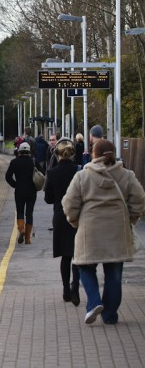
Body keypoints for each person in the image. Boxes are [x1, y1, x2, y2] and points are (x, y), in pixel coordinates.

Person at [62, 139, 145, 325]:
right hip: (117, 230)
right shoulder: (126, 175)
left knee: (85, 267)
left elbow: (69, 204)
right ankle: (109, 315)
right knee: (114, 273)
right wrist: (130, 219)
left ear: (94, 154)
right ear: (113, 153)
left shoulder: (82, 176)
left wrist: (75, 222)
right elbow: (139, 199)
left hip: (89, 230)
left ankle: (94, 303)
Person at [44, 138, 80, 306]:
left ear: (57, 154)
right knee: (78, 256)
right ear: (72, 154)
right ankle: (75, 289)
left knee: (66, 256)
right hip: (78, 217)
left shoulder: (52, 173)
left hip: (60, 216)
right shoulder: (79, 171)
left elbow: (48, 199)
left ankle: (66, 290)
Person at [5, 142, 39, 244]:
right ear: (29, 151)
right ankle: (27, 239)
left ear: (19, 151)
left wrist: (15, 184)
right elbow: (42, 173)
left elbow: (8, 177)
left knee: (20, 212)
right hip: (32, 191)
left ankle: (21, 229)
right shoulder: (33, 162)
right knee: (29, 213)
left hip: (19, 191)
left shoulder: (14, 162)